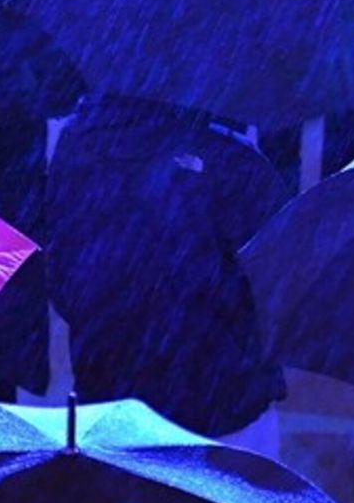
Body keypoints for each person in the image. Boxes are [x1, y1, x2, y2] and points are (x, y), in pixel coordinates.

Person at [46, 93, 291, 448]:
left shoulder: (76, 147)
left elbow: (63, 281)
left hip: (111, 402)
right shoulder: (231, 157)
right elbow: (280, 285)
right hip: (223, 405)